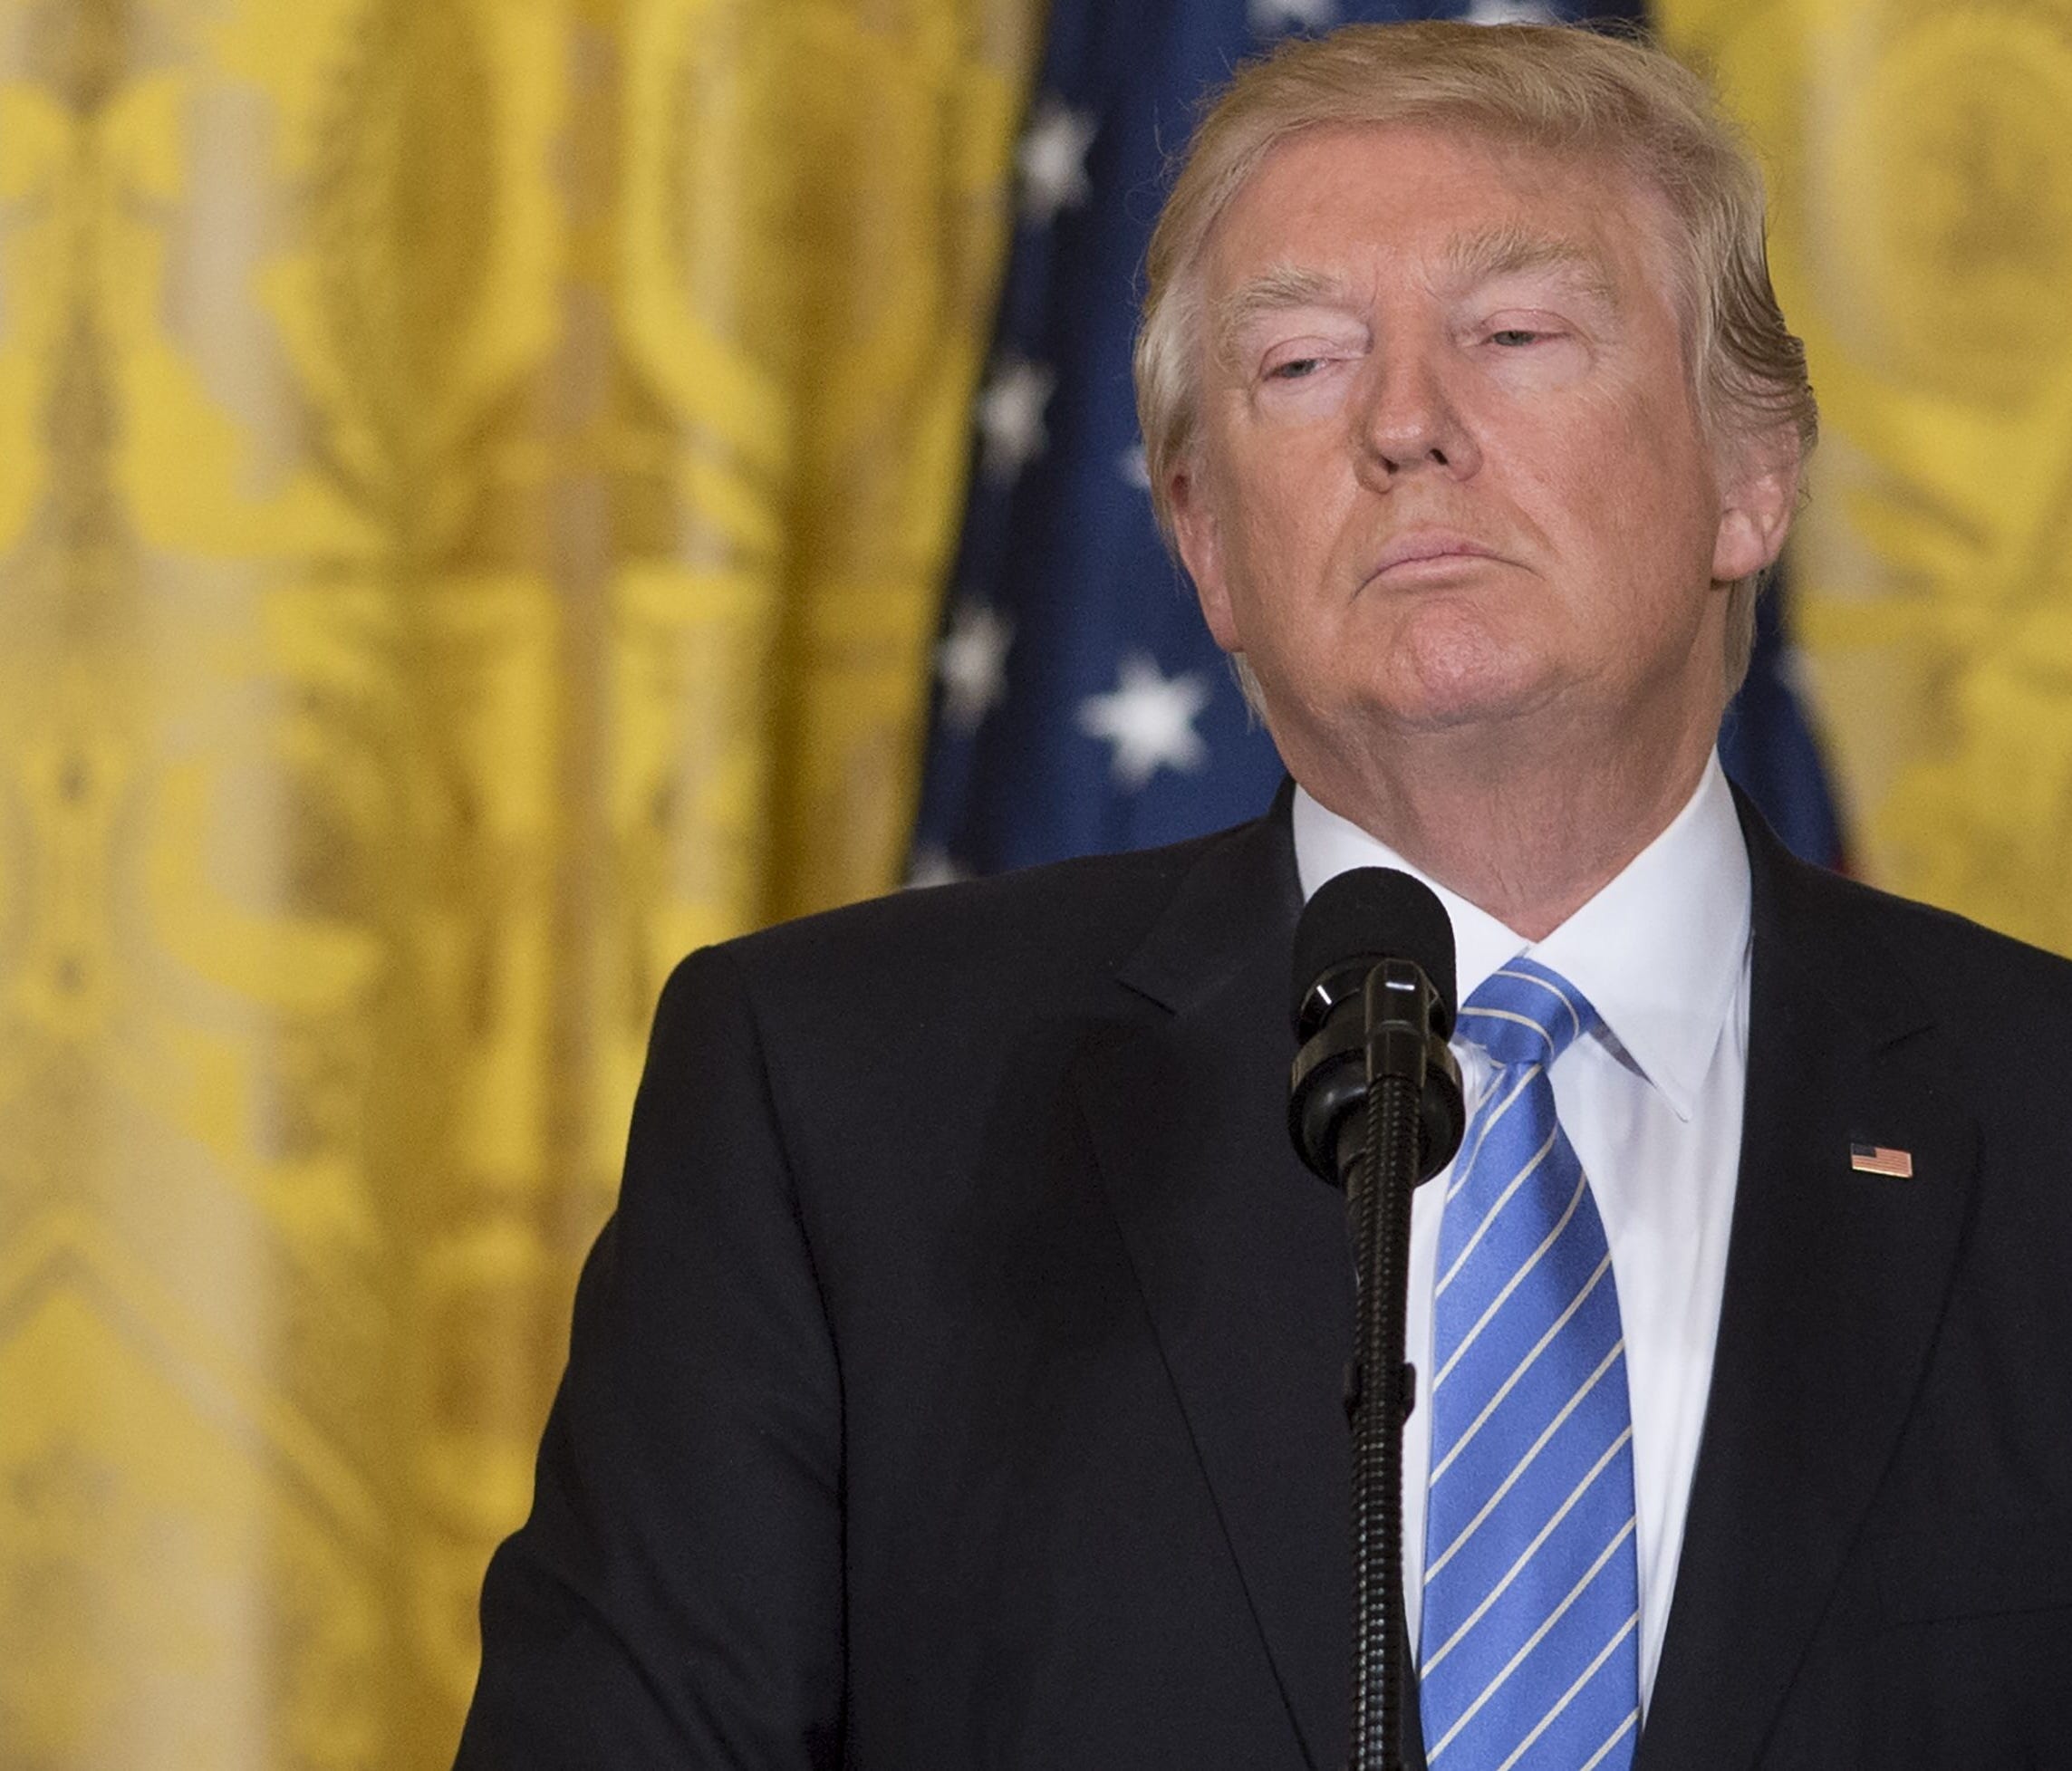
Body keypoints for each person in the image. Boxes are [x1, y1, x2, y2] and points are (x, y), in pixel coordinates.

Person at [456, 22, 2072, 1770]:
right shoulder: (838, 1103)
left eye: (1516, 336)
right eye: (1301, 364)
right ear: (1206, 541)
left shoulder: (2044, 1114)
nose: (1405, 426)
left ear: (1753, 474)